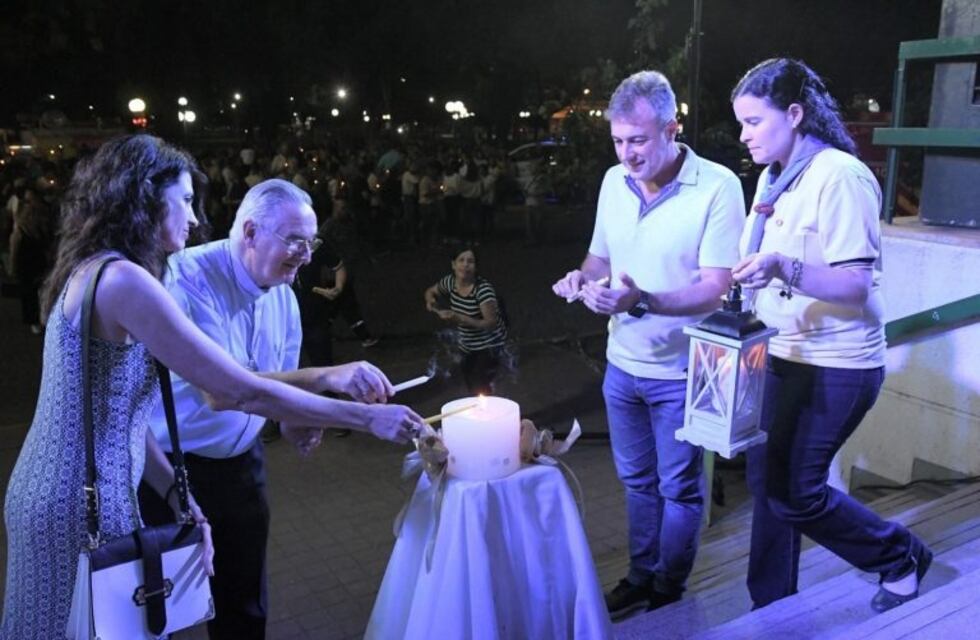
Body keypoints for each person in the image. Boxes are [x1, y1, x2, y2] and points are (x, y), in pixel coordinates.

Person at [0, 136, 424, 639]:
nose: (195, 218)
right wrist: (365, 417)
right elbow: (233, 390)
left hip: (78, 487)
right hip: (80, 497)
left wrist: (181, 499)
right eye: (183, 200)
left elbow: (126, 418)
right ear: (144, 200)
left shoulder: (107, 272)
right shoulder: (125, 282)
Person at [137, 178, 396, 639]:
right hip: (171, 472)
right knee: (160, 608)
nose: (307, 254)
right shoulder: (187, 279)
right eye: (294, 240)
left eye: (310, 241)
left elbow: (278, 378)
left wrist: (295, 418)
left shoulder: (283, 290)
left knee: (245, 604)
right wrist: (329, 378)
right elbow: (222, 391)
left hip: (242, 466)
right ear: (251, 232)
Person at [730, 58, 932, 612]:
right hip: (780, 355)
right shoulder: (773, 176)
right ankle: (769, 606)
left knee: (795, 490)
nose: (744, 136)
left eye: (754, 122)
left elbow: (854, 285)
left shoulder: (839, 175)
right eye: (741, 124)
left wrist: (779, 266)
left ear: (795, 114)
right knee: (768, 486)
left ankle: (899, 555)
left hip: (837, 366)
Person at [552, 70, 745, 617]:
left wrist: (642, 301)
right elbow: (600, 258)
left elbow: (716, 285)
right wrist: (580, 279)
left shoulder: (718, 186)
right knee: (637, 482)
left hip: (685, 369)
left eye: (638, 140)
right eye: (617, 140)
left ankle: (668, 588)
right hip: (622, 365)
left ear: (672, 128)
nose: (626, 154)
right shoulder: (614, 181)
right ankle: (641, 575)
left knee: (679, 488)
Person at [424, 245, 508, 395]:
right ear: (453, 265)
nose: (465, 265)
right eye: (461, 260)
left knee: (479, 384)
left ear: (475, 267)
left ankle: (489, 416)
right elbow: (430, 291)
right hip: (468, 344)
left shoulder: (483, 290)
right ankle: (480, 413)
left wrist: (461, 318)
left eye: (470, 261)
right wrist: (430, 301)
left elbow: (490, 323)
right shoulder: (449, 282)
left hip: (490, 345)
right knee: (470, 382)